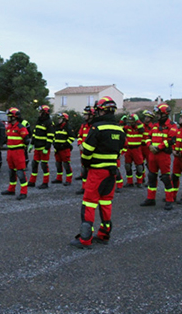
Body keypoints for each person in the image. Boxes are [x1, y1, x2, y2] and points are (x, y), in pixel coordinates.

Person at [70, 96, 125, 249]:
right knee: (106, 203)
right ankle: (104, 234)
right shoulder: (120, 129)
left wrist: (86, 165)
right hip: (111, 172)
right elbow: (120, 150)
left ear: (101, 111)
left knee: (89, 203)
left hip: (97, 172)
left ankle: (85, 239)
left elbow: (87, 152)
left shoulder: (97, 128)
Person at [140, 103, 178, 210]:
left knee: (166, 178)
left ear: (165, 114)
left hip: (163, 155)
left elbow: (171, 139)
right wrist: (149, 145)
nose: (157, 116)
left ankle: (169, 200)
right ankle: (150, 199)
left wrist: (158, 147)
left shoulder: (172, 125)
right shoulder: (155, 125)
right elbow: (148, 136)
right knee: (151, 176)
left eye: (159, 114)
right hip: (153, 154)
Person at [1, 107, 30, 200]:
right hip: (10, 152)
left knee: (20, 173)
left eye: (9, 116)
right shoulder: (9, 127)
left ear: (14, 117)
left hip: (18, 152)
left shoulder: (21, 127)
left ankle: (23, 192)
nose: (8, 118)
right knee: (11, 172)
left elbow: (26, 140)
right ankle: (11, 189)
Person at [28, 105, 54, 189]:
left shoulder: (49, 123)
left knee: (44, 165)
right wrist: (32, 144)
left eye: (40, 112)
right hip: (37, 147)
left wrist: (47, 148)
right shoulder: (39, 121)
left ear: (44, 113)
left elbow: (50, 136)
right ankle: (32, 181)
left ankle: (45, 183)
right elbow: (35, 133)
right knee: (34, 164)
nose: (39, 113)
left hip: (44, 148)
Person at [51, 113, 75, 186]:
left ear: (64, 120)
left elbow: (72, 138)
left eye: (60, 119)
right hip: (57, 149)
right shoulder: (57, 127)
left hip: (64, 149)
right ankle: (59, 178)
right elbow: (54, 136)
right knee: (58, 164)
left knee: (66, 164)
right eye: (58, 119)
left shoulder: (68, 127)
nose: (59, 120)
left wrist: (64, 145)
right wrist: (54, 143)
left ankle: (68, 180)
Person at [76, 106, 95, 194]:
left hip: (92, 152)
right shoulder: (83, 125)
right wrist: (79, 144)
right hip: (83, 151)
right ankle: (84, 187)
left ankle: (92, 188)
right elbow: (79, 136)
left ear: (91, 115)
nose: (84, 116)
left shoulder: (95, 126)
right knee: (84, 169)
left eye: (86, 115)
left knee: (92, 171)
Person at [122, 114, 145, 187]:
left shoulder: (139, 127)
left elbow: (142, 129)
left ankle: (139, 182)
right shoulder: (127, 127)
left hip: (137, 149)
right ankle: (129, 182)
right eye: (130, 121)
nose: (131, 122)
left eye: (132, 121)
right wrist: (122, 121)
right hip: (129, 149)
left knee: (139, 167)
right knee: (127, 166)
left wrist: (137, 120)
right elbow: (120, 129)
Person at [140, 110, 155, 181]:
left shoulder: (153, 127)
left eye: (148, 117)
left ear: (151, 119)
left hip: (148, 147)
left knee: (150, 164)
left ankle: (150, 179)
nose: (146, 119)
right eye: (145, 117)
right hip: (140, 147)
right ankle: (142, 178)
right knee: (140, 164)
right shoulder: (141, 126)